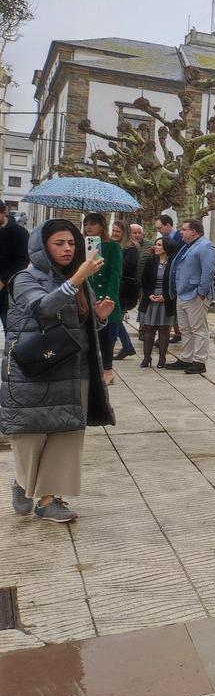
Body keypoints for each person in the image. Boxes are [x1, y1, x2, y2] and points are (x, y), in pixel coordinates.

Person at [1, 220, 116, 523]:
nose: (68, 249)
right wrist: (77, 278)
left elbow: (77, 325)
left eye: (71, 243)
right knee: (32, 435)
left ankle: (49, 501)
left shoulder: (80, 281)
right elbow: (43, 309)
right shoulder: (25, 278)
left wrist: (100, 318)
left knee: (66, 436)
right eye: (59, 243)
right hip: (34, 371)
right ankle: (23, 484)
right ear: (42, 247)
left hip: (75, 368)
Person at [166, 218, 215, 375]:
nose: (181, 232)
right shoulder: (188, 246)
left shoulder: (205, 246)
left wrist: (201, 292)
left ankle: (199, 361)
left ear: (194, 231)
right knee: (185, 329)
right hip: (182, 293)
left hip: (195, 295)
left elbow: (208, 272)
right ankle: (186, 358)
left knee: (198, 329)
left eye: (184, 229)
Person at [82, 213, 123, 385]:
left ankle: (108, 370)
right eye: (86, 224)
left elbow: (116, 273)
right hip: (86, 296)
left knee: (106, 337)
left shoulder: (112, 247)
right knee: (88, 337)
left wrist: (109, 297)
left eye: (92, 224)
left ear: (102, 226)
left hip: (105, 297)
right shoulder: (81, 246)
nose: (88, 227)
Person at [137, 236, 178, 368]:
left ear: (166, 247)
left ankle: (162, 359)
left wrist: (165, 296)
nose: (155, 247)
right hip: (150, 299)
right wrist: (149, 295)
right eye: (156, 244)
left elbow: (176, 283)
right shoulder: (151, 262)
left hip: (167, 300)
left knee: (164, 330)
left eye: (159, 245)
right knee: (148, 328)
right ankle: (146, 358)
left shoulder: (174, 263)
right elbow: (144, 281)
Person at [111, 220, 140, 361]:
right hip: (114, 287)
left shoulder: (131, 248)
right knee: (115, 319)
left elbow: (126, 267)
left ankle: (113, 347)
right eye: (113, 230)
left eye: (118, 231)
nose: (114, 233)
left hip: (124, 290)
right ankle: (127, 347)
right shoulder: (113, 246)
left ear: (124, 233)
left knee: (115, 318)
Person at [0, 201, 31, 327]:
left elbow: (23, 261)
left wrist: (3, 280)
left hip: (10, 290)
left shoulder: (19, 232)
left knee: (11, 329)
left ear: (4, 213)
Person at [154, 215, 183, 342]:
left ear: (168, 225)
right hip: (164, 275)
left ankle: (169, 335)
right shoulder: (163, 239)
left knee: (172, 306)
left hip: (175, 276)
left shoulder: (179, 238)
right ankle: (177, 333)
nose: (158, 231)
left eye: (160, 228)